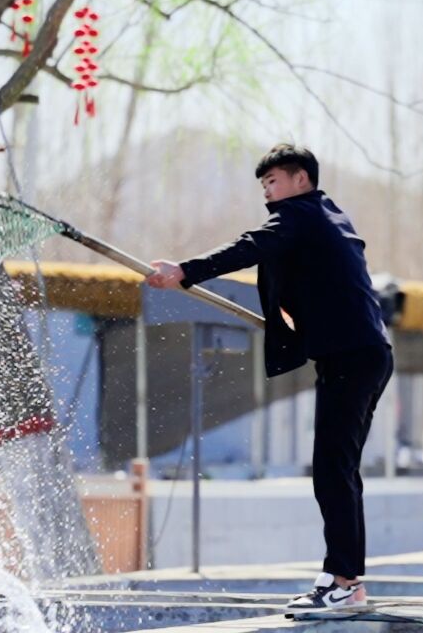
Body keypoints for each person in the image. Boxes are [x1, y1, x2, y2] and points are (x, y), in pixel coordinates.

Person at [147, 143, 393, 610]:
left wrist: (185, 271)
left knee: (332, 470)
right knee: (340, 470)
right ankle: (347, 581)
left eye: (273, 182)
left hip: (350, 357)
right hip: (366, 353)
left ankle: (344, 584)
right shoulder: (329, 217)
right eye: (262, 185)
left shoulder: (300, 215)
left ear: (301, 179)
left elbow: (250, 247)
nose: (267, 193)